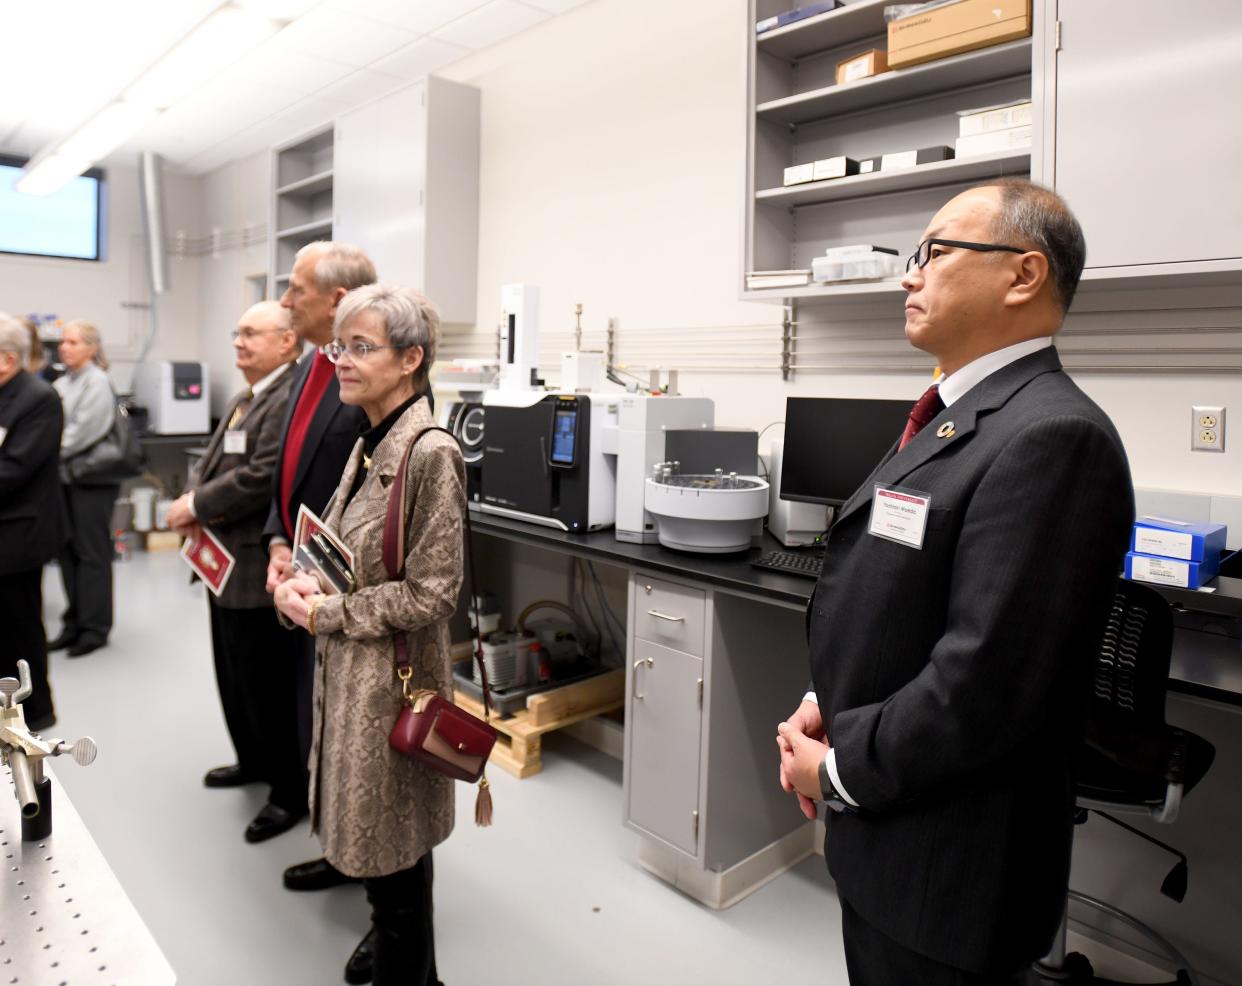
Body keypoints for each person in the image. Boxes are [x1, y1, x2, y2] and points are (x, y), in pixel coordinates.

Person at [777, 179, 1135, 985]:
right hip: (892, 839)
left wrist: (832, 769)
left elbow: (983, 688)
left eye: (935, 252)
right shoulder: (959, 414)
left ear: (1022, 275)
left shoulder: (1054, 438)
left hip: (949, 879)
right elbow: (895, 597)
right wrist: (826, 700)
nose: (910, 275)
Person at [275, 284, 462, 986]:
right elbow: (338, 550)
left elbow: (433, 593)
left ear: (411, 358)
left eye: (361, 348)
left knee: (398, 850)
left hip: (390, 683)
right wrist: (300, 577)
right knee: (391, 846)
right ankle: (410, 965)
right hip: (352, 676)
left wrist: (326, 614)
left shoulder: (428, 452)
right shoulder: (371, 440)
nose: (342, 363)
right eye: (339, 347)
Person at [165, 301, 306, 843]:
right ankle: (251, 759)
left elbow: (262, 474)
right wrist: (195, 498)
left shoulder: (286, 396)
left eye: (251, 333)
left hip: (252, 560)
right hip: (222, 561)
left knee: (265, 682)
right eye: (237, 332)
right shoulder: (251, 393)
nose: (238, 342)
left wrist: (197, 505)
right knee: (233, 673)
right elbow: (221, 460)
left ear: (286, 342)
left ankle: (287, 791)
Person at [260, 240, 376, 896]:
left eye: (295, 290)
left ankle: (378, 883)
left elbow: (375, 500)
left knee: (357, 749)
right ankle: (339, 850)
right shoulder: (312, 366)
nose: (284, 302)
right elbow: (292, 466)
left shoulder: (372, 377)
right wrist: (279, 540)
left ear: (336, 300)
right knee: (316, 729)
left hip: (346, 596)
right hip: (300, 579)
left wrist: (316, 572)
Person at [0, 313, 65, 730]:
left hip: (19, 535)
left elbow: (15, 468)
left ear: (6, 359)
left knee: (19, 629)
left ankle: (35, 712)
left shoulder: (38, 397)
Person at [50, 320, 120, 658]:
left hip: (91, 481)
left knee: (92, 554)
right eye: (63, 341)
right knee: (68, 552)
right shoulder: (63, 383)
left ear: (92, 348)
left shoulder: (97, 381)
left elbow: (80, 433)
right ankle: (73, 622)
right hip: (63, 478)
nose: (65, 347)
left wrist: (42, 452)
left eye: (74, 342)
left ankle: (95, 628)